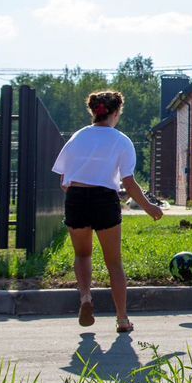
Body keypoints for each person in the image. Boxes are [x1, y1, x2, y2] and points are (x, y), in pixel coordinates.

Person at [52, 91, 163, 333]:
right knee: (114, 263)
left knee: (82, 255)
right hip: (104, 200)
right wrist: (149, 207)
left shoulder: (77, 137)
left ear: (93, 111)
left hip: (76, 198)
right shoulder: (121, 140)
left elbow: (64, 179)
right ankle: (122, 319)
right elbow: (129, 182)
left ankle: (85, 299)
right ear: (116, 112)